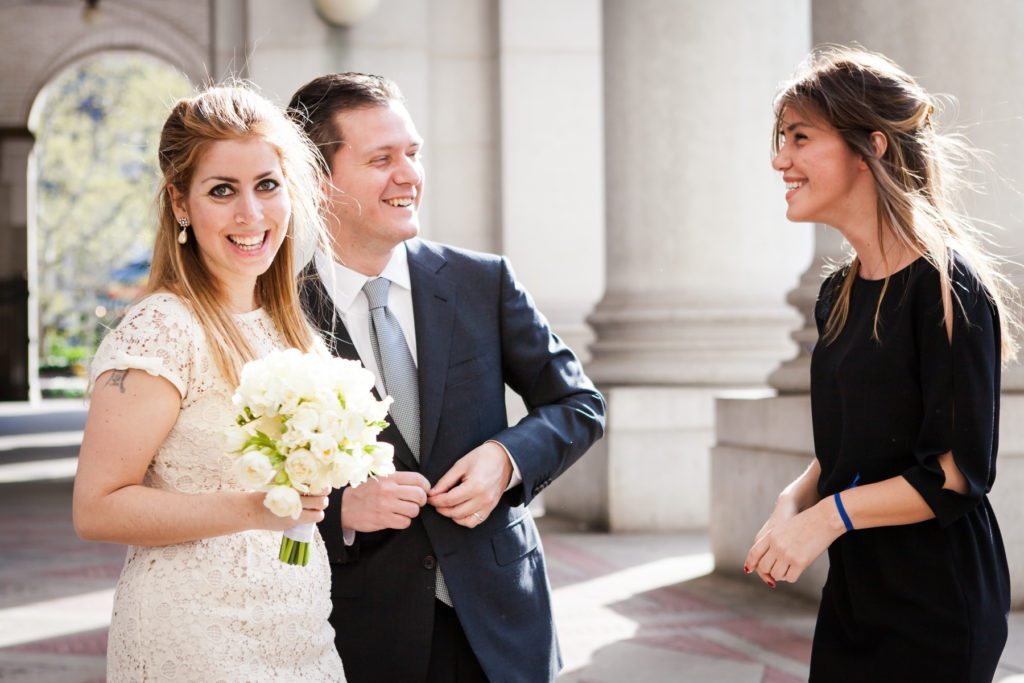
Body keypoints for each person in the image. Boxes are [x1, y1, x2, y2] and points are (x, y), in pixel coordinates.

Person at [287, 72, 606, 683]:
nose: (409, 175)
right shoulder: (278, 312)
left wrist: (505, 459)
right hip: (358, 631)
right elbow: (240, 481)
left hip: (500, 622)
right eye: (381, 159)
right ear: (315, 181)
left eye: (413, 153)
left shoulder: (481, 282)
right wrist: (340, 512)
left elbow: (577, 403)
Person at [745, 46, 1019, 682]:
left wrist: (825, 519)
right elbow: (861, 434)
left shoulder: (950, 291)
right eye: (781, 138)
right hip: (855, 595)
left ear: (872, 147)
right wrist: (795, 499)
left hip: (938, 606)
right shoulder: (836, 293)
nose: (780, 159)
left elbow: (952, 475)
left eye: (800, 137)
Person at [73, 86, 346, 681]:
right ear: (179, 203)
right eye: (222, 190)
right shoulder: (161, 329)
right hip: (194, 636)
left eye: (267, 185)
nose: (250, 214)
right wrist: (254, 509)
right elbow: (96, 509)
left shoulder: (289, 328)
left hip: (300, 628)